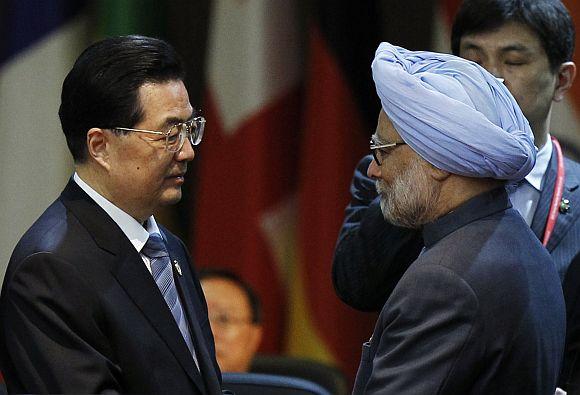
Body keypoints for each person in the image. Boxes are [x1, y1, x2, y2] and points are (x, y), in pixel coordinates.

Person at [333, 0, 580, 343]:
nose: (491, 77)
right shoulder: (388, 166)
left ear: (562, 79)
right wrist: (418, 184)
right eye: (473, 60)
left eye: (514, 61)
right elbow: (356, 287)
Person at [0, 35, 224, 394]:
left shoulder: (168, 248)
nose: (186, 152)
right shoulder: (49, 270)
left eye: (189, 129)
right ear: (100, 146)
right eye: (168, 134)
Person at [352, 42, 565, 394]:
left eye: (382, 151)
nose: (373, 169)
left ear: (436, 160)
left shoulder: (442, 283)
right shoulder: (524, 247)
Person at [199, 268, 263, 373]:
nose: (209, 332)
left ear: (253, 337)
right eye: (196, 319)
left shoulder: (284, 388)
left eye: (223, 319)